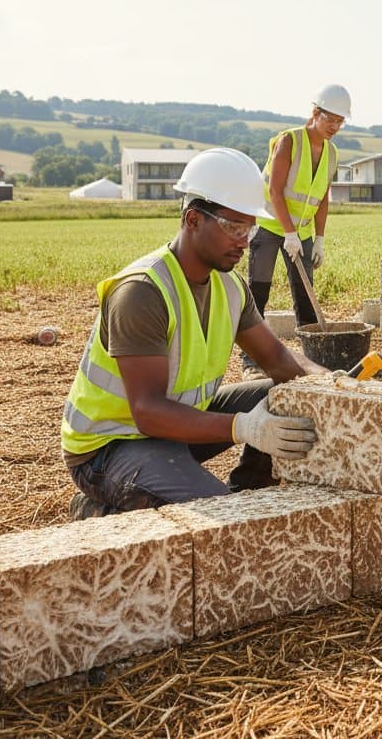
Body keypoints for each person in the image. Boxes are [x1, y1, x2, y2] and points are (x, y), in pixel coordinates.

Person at [61, 147, 325, 518]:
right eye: (234, 227)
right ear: (193, 219)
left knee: (284, 393)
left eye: (249, 228)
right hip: (110, 446)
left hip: (175, 428)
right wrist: (244, 427)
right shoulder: (142, 292)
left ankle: (251, 491)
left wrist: (333, 385)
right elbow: (147, 412)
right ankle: (99, 510)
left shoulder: (230, 288)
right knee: (220, 516)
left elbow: (278, 360)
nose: (245, 241)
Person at [243, 84, 349, 375]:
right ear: (315, 113)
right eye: (330, 119)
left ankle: (310, 360)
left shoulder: (332, 152)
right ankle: (250, 362)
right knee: (259, 292)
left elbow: (323, 197)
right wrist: (288, 233)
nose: (335, 127)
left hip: (301, 232)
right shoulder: (290, 141)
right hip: (268, 226)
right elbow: (275, 191)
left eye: (340, 121)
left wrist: (320, 239)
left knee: (305, 296)